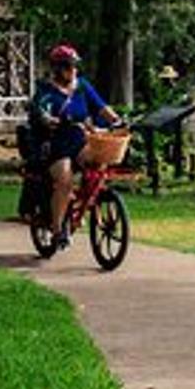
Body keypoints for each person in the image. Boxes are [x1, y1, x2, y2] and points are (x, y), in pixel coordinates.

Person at [29, 42, 122, 254]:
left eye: (74, 66)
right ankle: (57, 230)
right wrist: (49, 119)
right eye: (68, 66)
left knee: (100, 162)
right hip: (55, 146)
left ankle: (86, 200)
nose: (73, 70)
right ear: (58, 69)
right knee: (65, 179)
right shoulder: (46, 90)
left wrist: (117, 120)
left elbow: (101, 107)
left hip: (79, 142)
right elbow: (40, 111)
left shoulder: (82, 86)